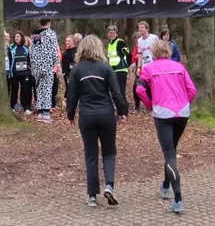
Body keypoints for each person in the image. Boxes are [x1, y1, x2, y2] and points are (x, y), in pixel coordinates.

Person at [136, 40, 197, 213]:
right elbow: (192, 90)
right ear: (168, 52)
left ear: (154, 53)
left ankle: (178, 198)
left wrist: (150, 105)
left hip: (163, 113)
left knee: (169, 154)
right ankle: (165, 185)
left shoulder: (149, 68)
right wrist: (183, 103)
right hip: (182, 113)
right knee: (171, 149)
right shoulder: (179, 67)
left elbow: (139, 90)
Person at [67, 35, 128, 207]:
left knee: (91, 154)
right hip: (106, 114)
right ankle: (109, 186)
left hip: (86, 116)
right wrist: (121, 111)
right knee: (109, 152)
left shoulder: (77, 70)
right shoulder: (106, 68)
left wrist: (70, 114)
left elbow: (72, 95)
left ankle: (92, 195)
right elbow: (116, 93)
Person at [30, 19, 62, 123]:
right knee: (47, 88)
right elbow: (54, 50)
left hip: (37, 65)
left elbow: (32, 51)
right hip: (47, 65)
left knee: (39, 88)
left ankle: (40, 112)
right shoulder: (51, 34)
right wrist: (57, 65)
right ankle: (46, 113)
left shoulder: (35, 34)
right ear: (49, 23)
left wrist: (33, 66)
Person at [133, 21, 159, 112]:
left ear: (147, 29)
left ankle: (156, 103)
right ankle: (149, 105)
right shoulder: (139, 40)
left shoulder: (153, 38)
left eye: (142, 27)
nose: (140, 29)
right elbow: (140, 54)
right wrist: (139, 67)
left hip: (154, 65)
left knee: (154, 85)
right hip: (145, 66)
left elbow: (159, 49)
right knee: (143, 85)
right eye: (139, 28)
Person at [105, 25, 132, 105]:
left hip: (121, 70)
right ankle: (119, 108)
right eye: (110, 33)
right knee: (115, 91)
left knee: (120, 91)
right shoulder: (110, 44)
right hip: (112, 70)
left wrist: (127, 64)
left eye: (113, 33)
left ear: (116, 34)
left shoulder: (120, 42)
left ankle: (124, 110)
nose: (111, 34)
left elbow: (128, 54)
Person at [9, 32, 33, 115]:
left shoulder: (25, 48)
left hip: (24, 74)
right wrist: (10, 72)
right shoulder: (11, 48)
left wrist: (29, 71)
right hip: (14, 73)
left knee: (25, 90)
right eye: (15, 36)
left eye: (18, 36)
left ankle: (26, 107)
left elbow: (29, 60)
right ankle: (13, 106)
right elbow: (10, 60)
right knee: (14, 90)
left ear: (21, 38)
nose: (17, 38)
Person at [61, 35, 77, 101]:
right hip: (66, 72)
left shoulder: (76, 50)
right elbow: (63, 63)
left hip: (75, 71)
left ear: (73, 42)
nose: (67, 42)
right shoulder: (65, 51)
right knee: (68, 86)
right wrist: (64, 73)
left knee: (74, 87)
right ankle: (67, 99)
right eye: (66, 41)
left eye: (69, 41)